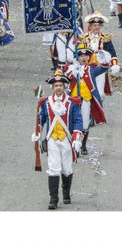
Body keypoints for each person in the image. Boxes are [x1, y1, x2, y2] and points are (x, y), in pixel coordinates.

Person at [32, 70, 83, 209]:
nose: (58, 88)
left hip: (67, 139)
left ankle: (66, 193)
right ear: (53, 88)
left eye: (60, 85)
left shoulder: (73, 102)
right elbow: (41, 119)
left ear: (65, 86)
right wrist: (37, 132)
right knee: (53, 168)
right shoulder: (46, 102)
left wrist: (77, 139)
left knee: (67, 169)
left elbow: (78, 121)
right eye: (56, 86)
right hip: (52, 140)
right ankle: (53, 198)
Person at [64, 45, 109, 156]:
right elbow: (63, 78)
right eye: (81, 56)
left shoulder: (91, 69)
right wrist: (71, 71)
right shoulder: (72, 68)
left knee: (84, 123)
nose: (83, 58)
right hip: (73, 100)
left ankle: (83, 145)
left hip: (86, 100)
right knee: (72, 122)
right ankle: (74, 145)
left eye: (85, 56)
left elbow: (103, 68)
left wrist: (103, 57)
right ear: (77, 57)